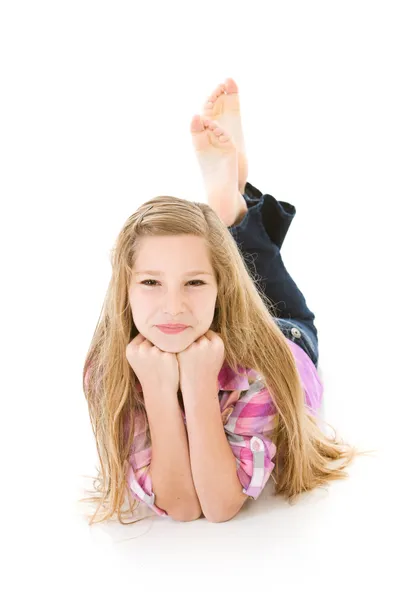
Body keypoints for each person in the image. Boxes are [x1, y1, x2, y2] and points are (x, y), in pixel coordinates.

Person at [81, 78, 372, 526]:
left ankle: (229, 208)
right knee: (219, 256)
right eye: (151, 283)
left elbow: (220, 506)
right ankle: (231, 205)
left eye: (195, 284)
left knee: (253, 271)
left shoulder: (260, 370)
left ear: (222, 288)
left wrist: (197, 385)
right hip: (233, 315)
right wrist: (158, 391)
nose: (173, 307)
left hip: (282, 335)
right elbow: (181, 506)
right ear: (125, 288)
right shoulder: (109, 368)